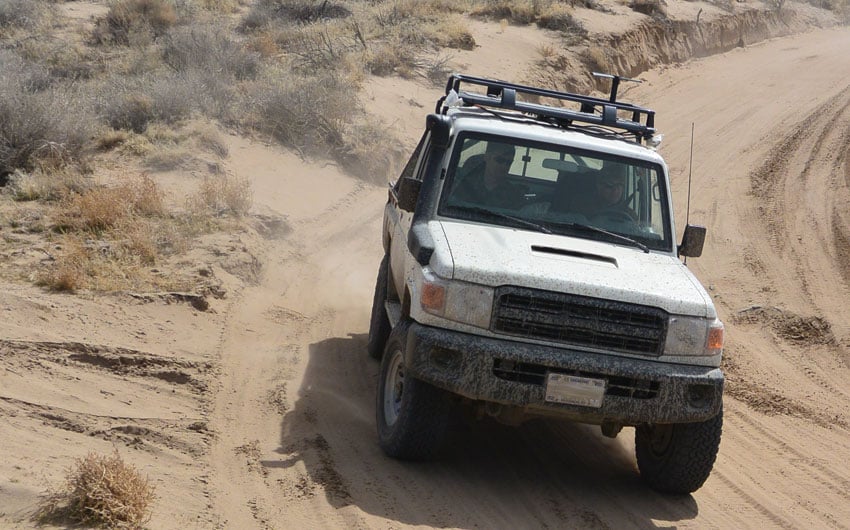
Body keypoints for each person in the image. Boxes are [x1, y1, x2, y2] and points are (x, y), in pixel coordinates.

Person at [450, 141, 528, 210]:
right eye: (500, 160)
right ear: (487, 157)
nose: (504, 166)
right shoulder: (465, 185)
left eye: (508, 162)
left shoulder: (513, 195)